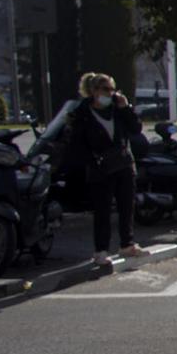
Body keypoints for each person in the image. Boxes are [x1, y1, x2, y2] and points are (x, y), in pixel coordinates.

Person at [65, 72, 145, 264]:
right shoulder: (82, 114)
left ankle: (127, 244)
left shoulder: (118, 109)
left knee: (126, 206)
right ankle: (101, 250)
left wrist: (126, 108)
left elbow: (136, 128)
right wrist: (92, 161)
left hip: (123, 163)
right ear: (93, 91)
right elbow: (77, 144)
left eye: (112, 89)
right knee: (102, 210)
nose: (110, 93)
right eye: (105, 89)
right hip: (100, 168)